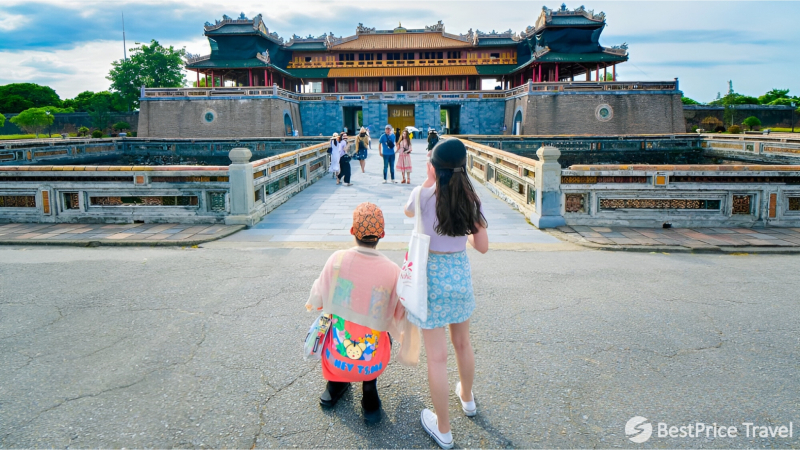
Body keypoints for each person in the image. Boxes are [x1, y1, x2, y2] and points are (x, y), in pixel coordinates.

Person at [404, 139, 489, 449]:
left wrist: (427, 182)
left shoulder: (423, 195)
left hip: (430, 282)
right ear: (463, 166)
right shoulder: (471, 199)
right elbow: (482, 246)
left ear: (433, 167)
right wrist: (461, 242)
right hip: (459, 278)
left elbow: (408, 211)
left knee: (437, 358)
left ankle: (444, 429)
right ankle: (467, 398)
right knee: (463, 344)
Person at [306, 202, 405, 423]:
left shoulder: (337, 260)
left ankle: (335, 385)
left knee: (336, 324)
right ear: (382, 234)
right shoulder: (392, 270)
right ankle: (369, 392)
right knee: (379, 332)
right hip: (373, 362)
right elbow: (400, 314)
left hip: (336, 356)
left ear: (352, 231)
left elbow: (319, 295)